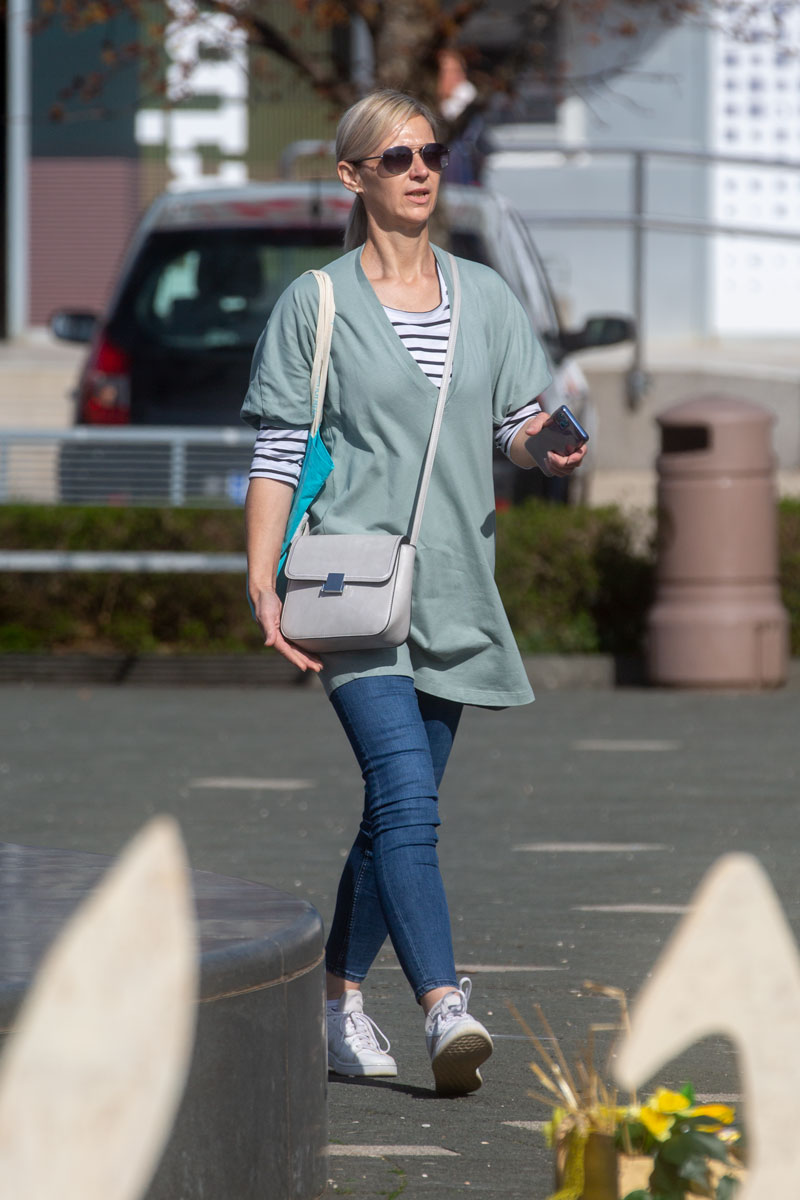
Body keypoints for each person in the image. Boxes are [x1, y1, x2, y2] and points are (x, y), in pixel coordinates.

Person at [242, 89, 586, 1097]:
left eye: (430, 152)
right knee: (404, 797)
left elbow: (510, 422)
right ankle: (444, 1004)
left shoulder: (484, 296)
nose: (421, 169)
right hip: (349, 588)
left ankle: (334, 1002)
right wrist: (260, 578)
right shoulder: (316, 303)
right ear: (353, 176)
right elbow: (278, 451)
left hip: (454, 589)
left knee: (398, 812)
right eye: (396, 158)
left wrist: (543, 444)